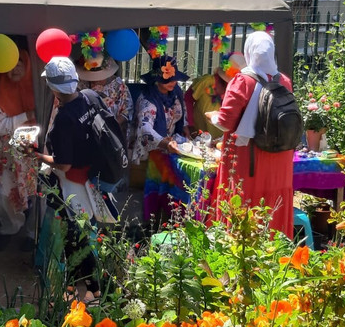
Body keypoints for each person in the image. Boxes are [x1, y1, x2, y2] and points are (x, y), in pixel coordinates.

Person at [29, 56, 113, 296]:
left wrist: (35, 155)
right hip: (92, 180)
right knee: (84, 234)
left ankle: (90, 290)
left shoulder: (64, 119)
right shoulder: (90, 97)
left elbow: (63, 165)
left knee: (75, 237)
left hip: (72, 185)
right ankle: (87, 288)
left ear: (54, 88)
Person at [209, 31, 295, 236]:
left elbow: (224, 123)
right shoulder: (284, 81)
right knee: (273, 204)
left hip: (248, 159)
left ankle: (240, 256)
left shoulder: (242, 81)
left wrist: (212, 116)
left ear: (249, 52)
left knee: (243, 202)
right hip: (279, 157)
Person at [133, 55, 192, 226]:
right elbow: (145, 129)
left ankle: (171, 219)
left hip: (172, 146)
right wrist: (165, 143)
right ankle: (153, 222)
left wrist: (187, 131)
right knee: (157, 188)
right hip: (152, 150)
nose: (173, 82)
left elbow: (183, 117)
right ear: (156, 79)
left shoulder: (176, 93)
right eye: (168, 79)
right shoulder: (147, 100)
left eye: (174, 79)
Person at [0, 49, 38, 247]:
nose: (15, 68)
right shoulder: (0, 93)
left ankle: (32, 235)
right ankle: (9, 228)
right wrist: (27, 115)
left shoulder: (38, 90)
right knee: (4, 194)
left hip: (33, 153)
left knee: (37, 194)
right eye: (11, 64)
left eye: (20, 63)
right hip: (8, 155)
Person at [76, 54, 133, 133]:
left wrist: (111, 126)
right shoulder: (81, 85)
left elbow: (127, 110)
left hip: (112, 131)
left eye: (100, 78)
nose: (96, 81)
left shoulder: (118, 85)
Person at [184, 53, 234, 140]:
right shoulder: (207, 81)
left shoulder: (237, 87)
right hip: (199, 132)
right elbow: (188, 99)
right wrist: (190, 124)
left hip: (221, 136)